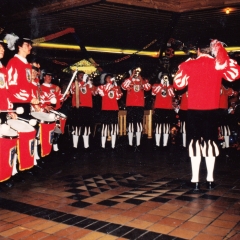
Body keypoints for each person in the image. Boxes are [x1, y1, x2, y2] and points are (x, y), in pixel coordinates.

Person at [173, 39, 240, 190]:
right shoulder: (217, 64)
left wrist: (186, 64)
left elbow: (178, 84)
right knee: (210, 143)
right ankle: (210, 179)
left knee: (195, 144)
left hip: (194, 112)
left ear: (197, 50)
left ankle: (195, 179)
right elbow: (235, 74)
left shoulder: (189, 64)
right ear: (211, 50)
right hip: (212, 111)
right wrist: (222, 53)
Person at [121, 67, 151, 151]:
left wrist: (141, 78)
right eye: (135, 72)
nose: (136, 74)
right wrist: (131, 76)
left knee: (138, 125)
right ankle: (130, 144)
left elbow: (148, 87)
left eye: (137, 72)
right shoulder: (129, 80)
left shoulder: (142, 80)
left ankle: (138, 144)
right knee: (130, 125)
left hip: (140, 106)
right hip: (130, 105)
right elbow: (123, 86)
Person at [70, 71, 95, 153]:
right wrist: (83, 81)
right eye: (80, 75)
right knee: (76, 128)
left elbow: (95, 93)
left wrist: (90, 84)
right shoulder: (74, 83)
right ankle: (74, 146)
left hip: (87, 109)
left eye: (83, 75)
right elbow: (72, 90)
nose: (82, 76)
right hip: (77, 108)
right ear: (77, 77)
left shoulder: (88, 84)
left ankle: (86, 146)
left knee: (86, 128)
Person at [96, 73, 123, 149]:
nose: (110, 79)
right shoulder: (101, 87)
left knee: (114, 128)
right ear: (105, 79)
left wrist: (116, 88)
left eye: (111, 78)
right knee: (104, 128)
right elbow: (102, 93)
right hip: (105, 110)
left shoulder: (115, 87)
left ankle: (113, 146)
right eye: (108, 78)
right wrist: (110, 85)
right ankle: (103, 146)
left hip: (114, 109)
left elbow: (118, 97)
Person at [41, 71, 64, 152]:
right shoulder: (39, 87)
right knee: (46, 131)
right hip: (44, 112)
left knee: (57, 129)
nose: (50, 78)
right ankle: (46, 147)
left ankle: (55, 145)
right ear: (44, 77)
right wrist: (44, 107)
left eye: (51, 76)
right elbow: (39, 100)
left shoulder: (56, 87)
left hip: (54, 111)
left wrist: (64, 95)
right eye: (48, 76)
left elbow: (60, 100)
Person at [152, 72, 175, 148]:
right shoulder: (156, 85)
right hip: (159, 108)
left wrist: (167, 86)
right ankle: (157, 144)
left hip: (167, 109)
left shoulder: (171, 87)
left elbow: (172, 95)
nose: (165, 79)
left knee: (166, 127)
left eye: (166, 77)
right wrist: (161, 85)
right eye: (163, 77)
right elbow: (153, 93)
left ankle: (165, 145)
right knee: (158, 127)